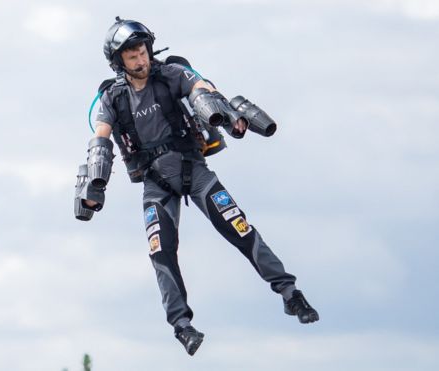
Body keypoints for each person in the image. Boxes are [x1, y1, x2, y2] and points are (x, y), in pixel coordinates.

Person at [74, 17, 319, 356]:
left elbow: (200, 89)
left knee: (240, 227)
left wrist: (224, 112)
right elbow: (100, 134)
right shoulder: (112, 97)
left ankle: (290, 294)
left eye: (142, 51)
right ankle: (182, 326)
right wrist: (93, 188)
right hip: (156, 184)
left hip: (195, 170)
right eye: (132, 56)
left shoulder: (173, 73)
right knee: (161, 252)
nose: (141, 60)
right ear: (119, 62)